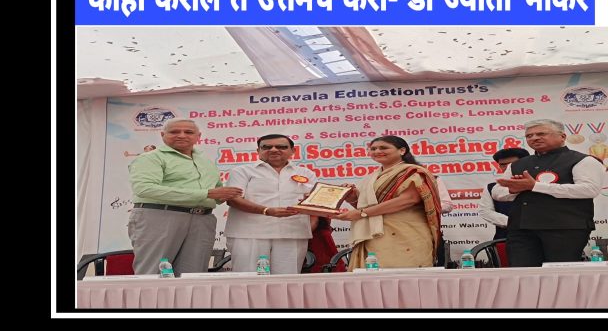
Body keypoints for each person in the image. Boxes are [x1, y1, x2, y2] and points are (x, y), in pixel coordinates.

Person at [128, 119, 243, 275]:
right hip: (160, 216)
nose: (182, 135)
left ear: (198, 136)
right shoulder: (151, 158)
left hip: (202, 220)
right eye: (174, 132)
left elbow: (217, 194)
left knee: (194, 274)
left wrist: (238, 194)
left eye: (188, 132)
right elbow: (144, 189)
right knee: (153, 272)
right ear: (162, 135)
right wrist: (207, 194)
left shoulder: (205, 162)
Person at [492, 119, 604, 267]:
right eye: (529, 136)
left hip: (565, 228)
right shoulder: (517, 164)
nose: (534, 138)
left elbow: (589, 189)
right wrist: (513, 189)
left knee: (560, 275)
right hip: (522, 229)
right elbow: (497, 192)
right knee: (523, 273)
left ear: (562, 136)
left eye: (541, 134)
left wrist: (535, 186)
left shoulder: (584, 160)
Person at [334, 136, 441, 270]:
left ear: (402, 150)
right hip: (374, 237)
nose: (377, 151)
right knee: (374, 278)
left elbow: (408, 200)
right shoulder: (371, 178)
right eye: (373, 149)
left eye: (383, 148)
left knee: (405, 277)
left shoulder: (412, 172)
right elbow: (368, 207)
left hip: (406, 234)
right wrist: (352, 198)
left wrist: (361, 213)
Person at [225, 134, 317, 274]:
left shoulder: (306, 173)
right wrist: (266, 210)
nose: (274, 150)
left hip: (293, 233)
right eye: (267, 147)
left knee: (287, 281)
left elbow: (315, 203)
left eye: (281, 147)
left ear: (293, 151)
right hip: (249, 234)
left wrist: (311, 224)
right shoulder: (242, 171)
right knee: (249, 279)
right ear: (258, 151)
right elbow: (233, 199)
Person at [478, 147, 529, 240]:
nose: (508, 167)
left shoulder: (538, 184)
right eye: (503, 165)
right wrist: (512, 222)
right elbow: (485, 211)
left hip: (540, 235)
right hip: (506, 237)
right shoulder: (491, 188)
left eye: (512, 164)